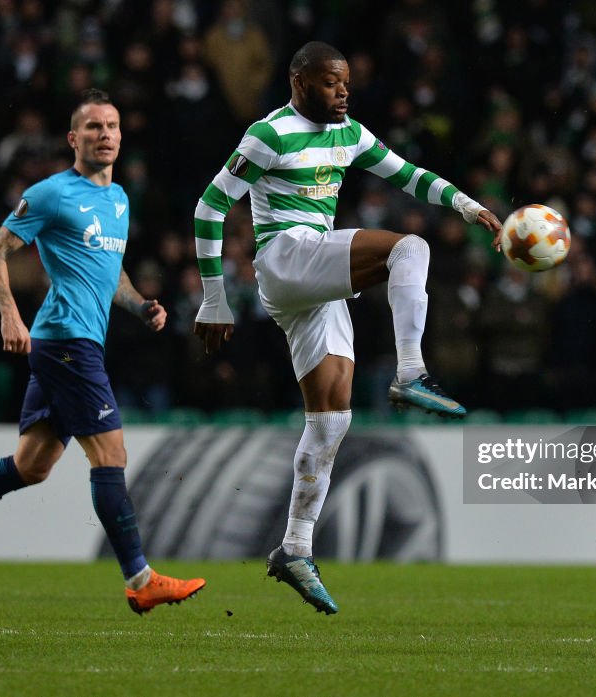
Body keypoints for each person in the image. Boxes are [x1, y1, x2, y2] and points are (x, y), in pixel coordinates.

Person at [192, 41, 501, 614]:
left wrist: (464, 205)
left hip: (313, 281)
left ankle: (294, 548)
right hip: (286, 256)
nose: (342, 92)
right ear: (298, 81)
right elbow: (210, 208)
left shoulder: (350, 133)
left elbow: (408, 175)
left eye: (347, 83)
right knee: (409, 249)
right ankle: (412, 371)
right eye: (331, 82)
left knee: (332, 418)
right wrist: (214, 299)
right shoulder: (269, 134)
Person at [0, 88, 205, 615]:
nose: (105, 135)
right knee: (112, 456)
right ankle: (140, 579)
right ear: (72, 138)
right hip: (65, 344)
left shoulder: (120, 199)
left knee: (30, 466)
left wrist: (139, 305)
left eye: (113, 126)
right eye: (94, 127)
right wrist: (11, 315)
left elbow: (111, 273)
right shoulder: (53, 194)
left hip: (76, 342)